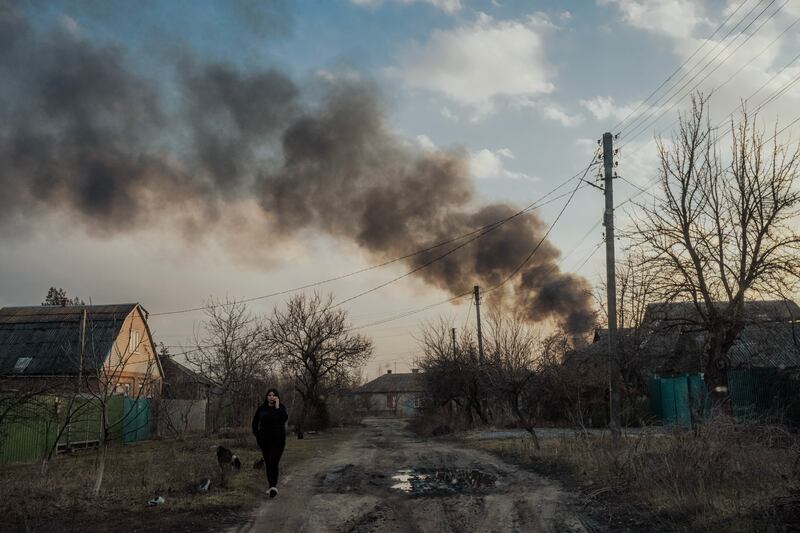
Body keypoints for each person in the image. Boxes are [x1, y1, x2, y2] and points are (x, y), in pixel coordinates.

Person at [251, 388, 288, 498]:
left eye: (273, 395)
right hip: (264, 440)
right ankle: (271, 486)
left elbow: (283, 419)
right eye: (269, 395)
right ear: (266, 396)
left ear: (277, 397)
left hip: (278, 440)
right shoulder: (262, 408)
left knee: (273, 461)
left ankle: (273, 486)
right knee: (268, 462)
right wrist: (257, 435)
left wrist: (277, 406)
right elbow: (254, 423)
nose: (271, 397)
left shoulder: (281, 407)